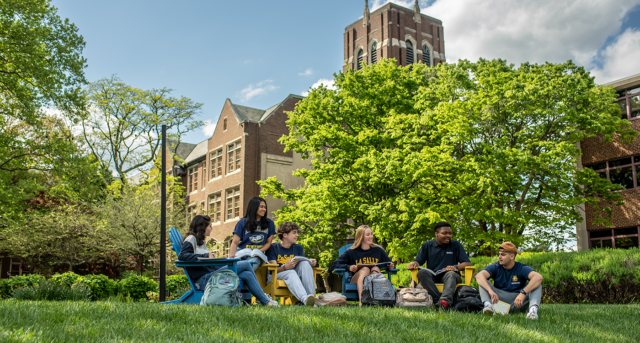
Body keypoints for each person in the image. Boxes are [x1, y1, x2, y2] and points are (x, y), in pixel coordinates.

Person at [178, 215, 279, 307]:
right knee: (246, 264)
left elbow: (202, 259)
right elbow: (182, 256)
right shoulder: (191, 238)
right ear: (202, 227)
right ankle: (263, 298)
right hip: (204, 280)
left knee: (247, 274)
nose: (211, 228)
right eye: (210, 225)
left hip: (212, 274)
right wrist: (206, 255)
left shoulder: (201, 241)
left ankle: (265, 301)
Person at [407, 221, 472, 311]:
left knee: (451, 274)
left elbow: (467, 263)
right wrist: (413, 264)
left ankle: (444, 301)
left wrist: (455, 267)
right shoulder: (427, 245)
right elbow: (418, 261)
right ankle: (440, 302)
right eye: (444, 233)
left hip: (450, 276)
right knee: (421, 272)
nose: (448, 235)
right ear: (436, 234)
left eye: (450, 233)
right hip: (433, 276)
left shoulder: (455, 245)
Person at [475, 242, 543, 319]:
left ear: (512, 256)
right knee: (483, 281)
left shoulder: (521, 268)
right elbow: (479, 276)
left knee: (536, 284)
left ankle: (533, 312)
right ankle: (488, 307)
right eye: (499, 254)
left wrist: (523, 292)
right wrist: (490, 291)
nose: (499, 257)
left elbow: (538, 277)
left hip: (518, 303)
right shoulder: (496, 266)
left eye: (503, 255)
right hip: (498, 302)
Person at [331, 225, 395, 306]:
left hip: (374, 279)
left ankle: (378, 300)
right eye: (367, 235)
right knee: (365, 269)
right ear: (360, 237)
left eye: (371, 234)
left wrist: (391, 266)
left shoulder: (378, 250)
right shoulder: (351, 252)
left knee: (375, 267)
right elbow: (333, 265)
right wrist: (349, 267)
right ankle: (363, 302)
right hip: (356, 279)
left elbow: (390, 263)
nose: (371, 236)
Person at [266, 222, 318, 306]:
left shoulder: (298, 247)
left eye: (296, 233)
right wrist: (285, 267)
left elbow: (302, 267)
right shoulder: (273, 247)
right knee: (291, 272)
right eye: (294, 233)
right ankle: (305, 299)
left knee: (305, 263)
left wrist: (310, 263)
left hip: (293, 277)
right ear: (285, 235)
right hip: (275, 276)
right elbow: (273, 270)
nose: (297, 235)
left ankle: (310, 298)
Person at [229, 196, 276, 271]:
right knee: (237, 262)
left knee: (255, 260)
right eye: (261, 207)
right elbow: (235, 242)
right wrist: (231, 257)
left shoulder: (269, 223)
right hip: (242, 252)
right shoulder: (242, 222)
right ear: (254, 207)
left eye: (265, 207)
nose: (264, 209)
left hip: (257, 254)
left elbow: (268, 243)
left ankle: (238, 276)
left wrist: (259, 251)